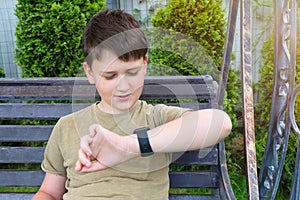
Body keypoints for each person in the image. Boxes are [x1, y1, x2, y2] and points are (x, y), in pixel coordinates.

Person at [33, 8, 232, 200]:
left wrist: (128, 145)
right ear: (90, 73)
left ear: (145, 64)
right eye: (110, 76)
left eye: (132, 73)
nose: (123, 86)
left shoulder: (157, 120)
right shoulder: (66, 126)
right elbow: (49, 192)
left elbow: (220, 123)